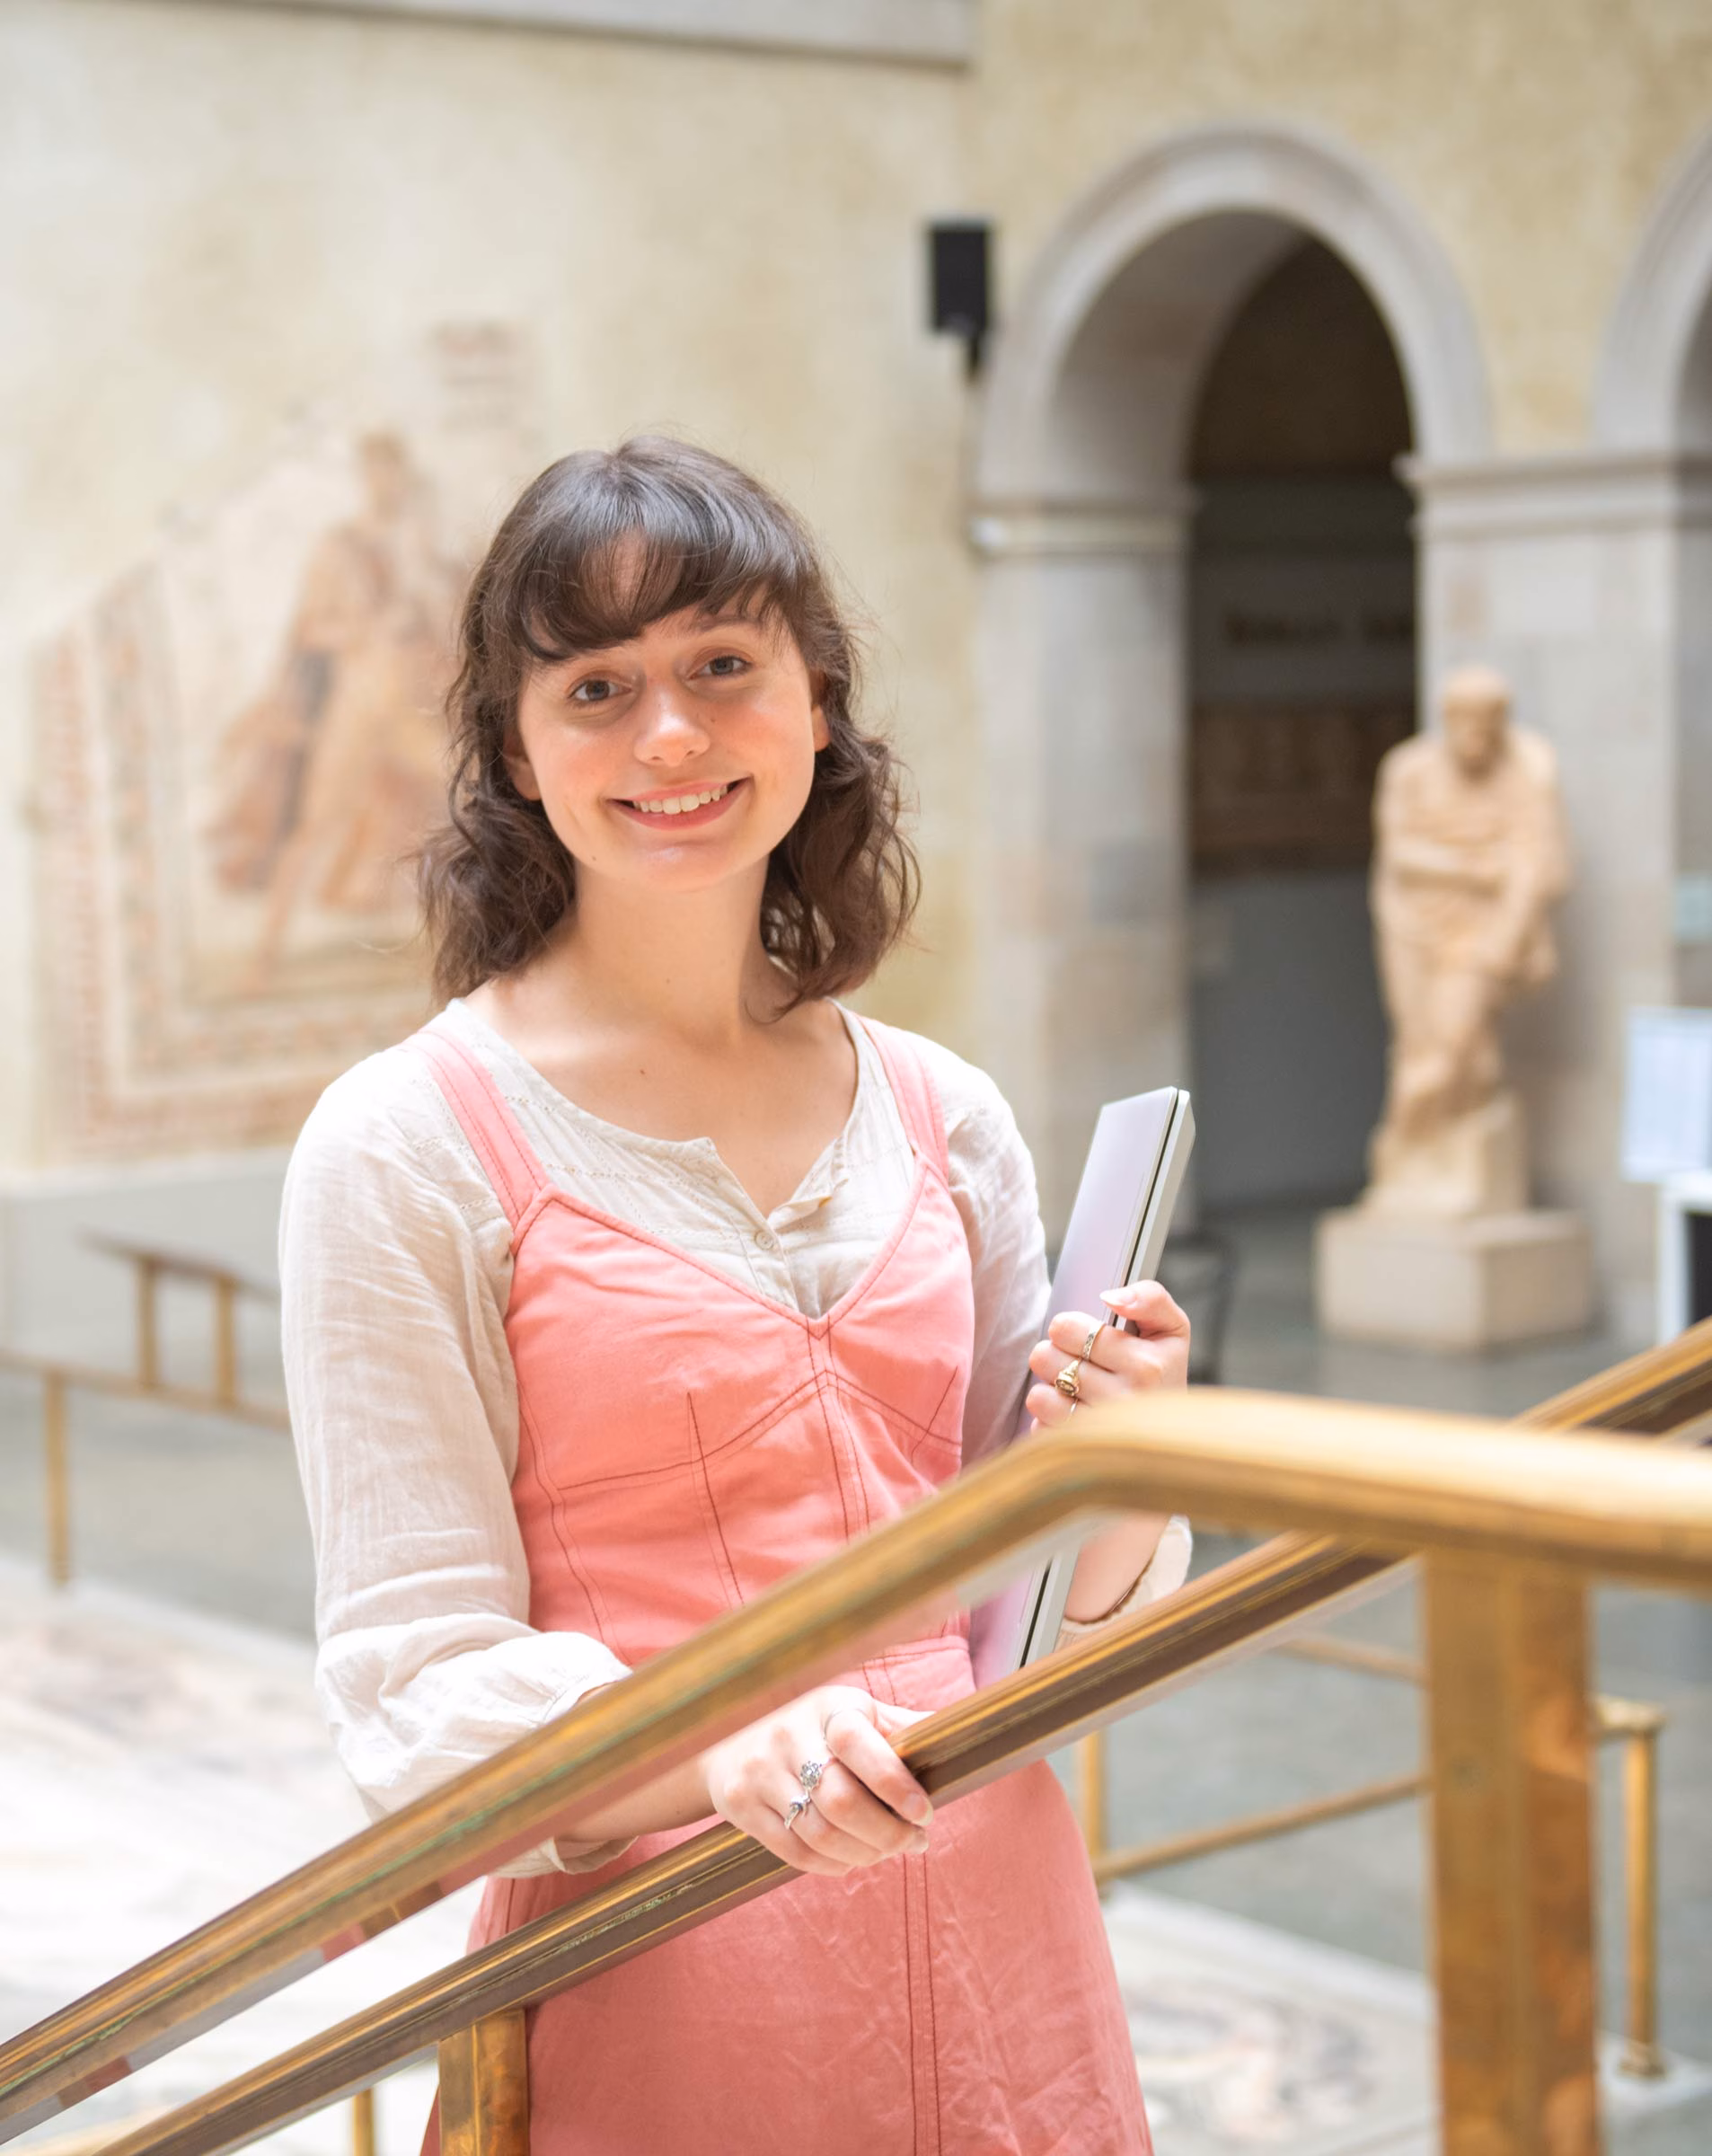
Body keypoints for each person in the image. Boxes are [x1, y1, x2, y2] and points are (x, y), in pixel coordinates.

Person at [281, 437, 1194, 2154]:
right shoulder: (406, 1144)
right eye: (597, 688)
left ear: (819, 701)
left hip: (1009, 1943)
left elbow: (1035, 1619)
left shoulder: (944, 1114)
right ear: (512, 750)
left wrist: (1120, 1475)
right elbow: (415, 1687)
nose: (673, 738)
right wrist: (725, 1752)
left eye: (722, 667)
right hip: (672, 1967)